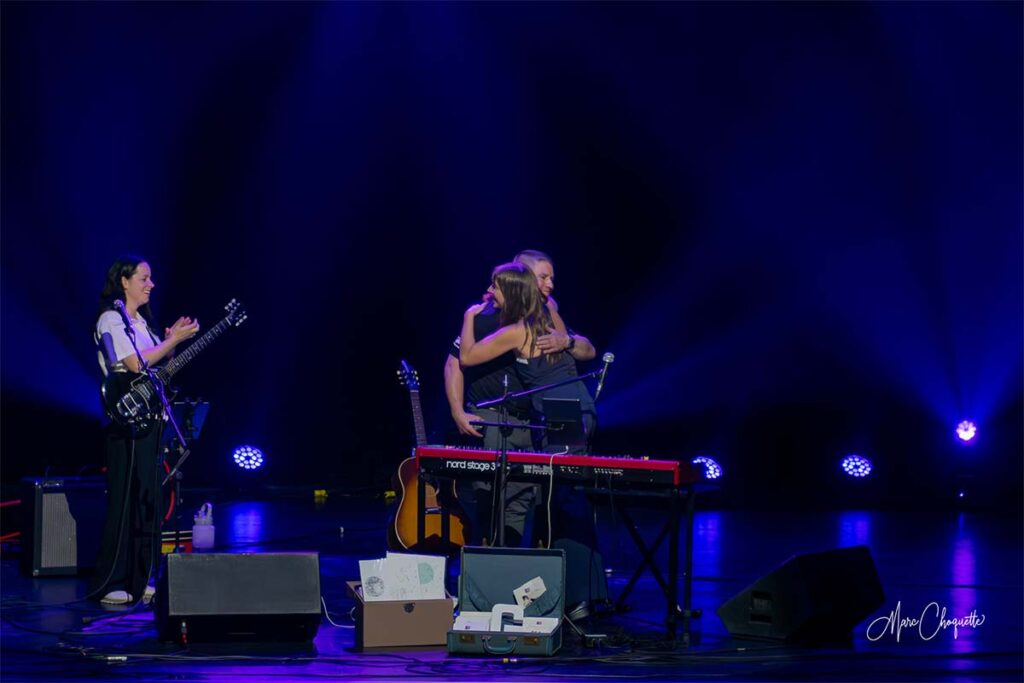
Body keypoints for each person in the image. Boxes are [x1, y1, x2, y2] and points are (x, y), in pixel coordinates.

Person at [91, 256, 199, 605]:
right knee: (124, 502)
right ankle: (111, 581)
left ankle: (140, 579)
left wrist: (170, 342)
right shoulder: (111, 319)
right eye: (144, 277)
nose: (150, 284)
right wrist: (171, 342)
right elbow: (134, 364)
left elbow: (156, 370)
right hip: (126, 422)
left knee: (148, 501)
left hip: (151, 420)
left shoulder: (143, 325)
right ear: (124, 281)